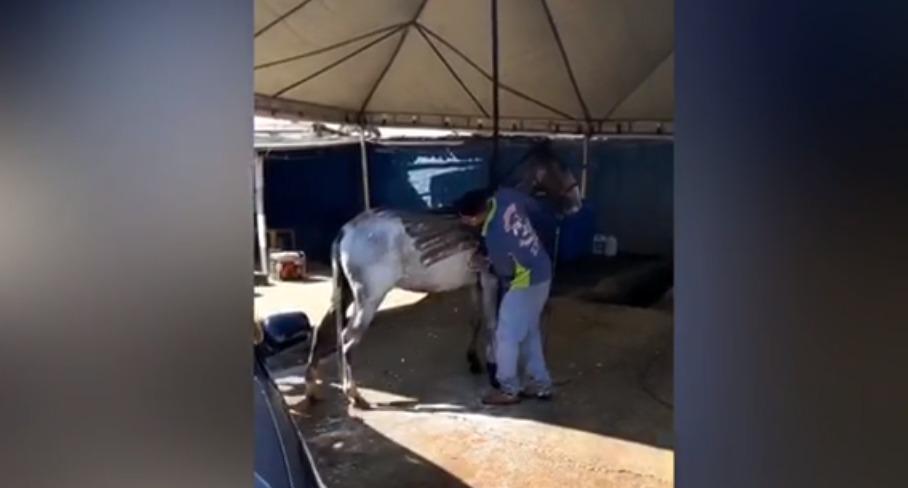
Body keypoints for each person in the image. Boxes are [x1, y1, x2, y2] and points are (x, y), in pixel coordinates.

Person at [454, 187, 554, 405]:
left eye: (467, 220)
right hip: (543, 268)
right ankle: (540, 383)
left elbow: (505, 273)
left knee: (506, 335)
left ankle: (508, 389)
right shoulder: (505, 196)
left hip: (526, 282)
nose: (466, 224)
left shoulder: (495, 236)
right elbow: (533, 207)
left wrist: (483, 262)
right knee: (529, 333)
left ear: (478, 215)